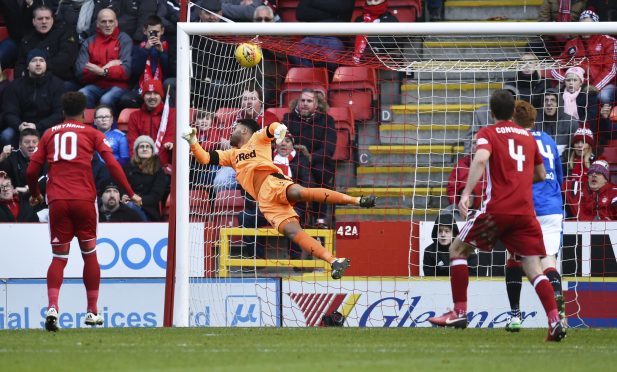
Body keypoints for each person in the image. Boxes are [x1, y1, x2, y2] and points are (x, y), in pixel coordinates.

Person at [427, 90, 566, 342]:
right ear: (513, 111)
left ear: (491, 113)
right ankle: (555, 320)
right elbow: (542, 175)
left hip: (496, 211)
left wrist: (466, 192)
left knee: (457, 251)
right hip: (525, 213)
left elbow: (480, 159)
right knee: (535, 269)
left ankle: (459, 311)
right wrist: (518, 178)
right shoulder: (527, 137)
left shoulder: (487, 133)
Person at [182, 118, 376, 279]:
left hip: (272, 182)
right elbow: (205, 158)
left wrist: (280, 129)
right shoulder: (231, 155)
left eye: (234, 129)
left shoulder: (257, 139)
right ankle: (334, 261)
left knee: (300, 192)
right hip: (265, 202)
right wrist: (192, 141)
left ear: (243, 130)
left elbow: (272, 127)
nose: (230, 132)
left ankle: (356, 200)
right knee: (293, 232)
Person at [25, 91, 142, 332]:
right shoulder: (92, 133)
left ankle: (53, 307)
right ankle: (91, 312)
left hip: (57, 199)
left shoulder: (48, 134)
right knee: (89, 254)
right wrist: (130, 191)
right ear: (85, 112)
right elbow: (112, 164)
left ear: (62, 110)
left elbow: (30, 171)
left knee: (59, 257)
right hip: (84, 200)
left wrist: (36, 193)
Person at [504, 100, 565, 332]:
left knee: (514, 259)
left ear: (513, 121)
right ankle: (560, 316)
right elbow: (559, 175)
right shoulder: (548, 139)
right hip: (552, 207)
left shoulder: (515, 141)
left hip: (526, 207)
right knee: (549, 261)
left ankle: (515, 316)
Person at [283, 88, 337, 227]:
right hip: (293, 159)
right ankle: (296, 214)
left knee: (321, 173)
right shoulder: (287, 119)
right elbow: (281, 141)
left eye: (309, 101)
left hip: (317, 161)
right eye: (303, 100)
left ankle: (320, 220)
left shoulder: (327, 120)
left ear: (316, 104)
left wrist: (311, 157)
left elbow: (329, 148)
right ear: (298, 102)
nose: (305, 103)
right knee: (296, 171)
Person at [550, 10, 616, 105]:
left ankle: (603, 119)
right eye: (582, 25)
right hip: (577, 83)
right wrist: (566, 80)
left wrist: (595, 86)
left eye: (589, 25)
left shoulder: (609, 41)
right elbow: (556, 66)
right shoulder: (571, 44)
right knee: (555, 93)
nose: (585, 29)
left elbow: (611, 70)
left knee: (603, 96)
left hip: (604, 84)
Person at [1, 49, 64, 147]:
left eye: (41, 60)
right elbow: (9, 112)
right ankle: (12, 161)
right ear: (27, 66)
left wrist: (37, 126)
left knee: (54, 135)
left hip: (46, 127)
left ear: (46, 65)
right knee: (6, 135)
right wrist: (20, 126)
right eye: (34, 61)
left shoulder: (57, 84)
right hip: (21, 127)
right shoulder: (14, 86)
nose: (38, 64)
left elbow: (59, 113)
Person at [75, 8, 132, 110]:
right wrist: (105, 69)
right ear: (97, 24)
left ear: (116, 23)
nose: (107, 24)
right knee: (82, 94)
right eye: (103, 21)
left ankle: (110, 125)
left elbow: (126, 70)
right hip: (94, 86)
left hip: (118, 86)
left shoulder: (124, 39)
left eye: (111, 21)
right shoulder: (88, 42)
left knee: (106, 99)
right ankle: (90, 125)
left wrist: (101, 71)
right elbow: (80, 72)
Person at [14, 5, 80, 86]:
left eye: (47, 18)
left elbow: (65, 61)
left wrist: (38, 72)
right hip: (31, 81)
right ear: (34, 21)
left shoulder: (66, 33)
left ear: (52, 20)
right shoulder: (27, 39)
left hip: (61, 80)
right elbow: (20, 65)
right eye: (40, 19)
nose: (44, 21)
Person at [127, 79, 175, 173]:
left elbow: (167, 140)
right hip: (140, 165)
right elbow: (133, 143)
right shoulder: (135, 116)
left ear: (161, 96)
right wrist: (140, 165)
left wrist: (154, 165)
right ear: (143, 96)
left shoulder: (171, 114)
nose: (152, 97)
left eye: (156, 93)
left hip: (162, 166)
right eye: (148, 93)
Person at [123, 135, 169, 222]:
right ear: (136, 150)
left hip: (148, 210)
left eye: (148, 146)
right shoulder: (127, 167)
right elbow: (120, 185)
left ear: (152, 151)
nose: (144, 149)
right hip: (126, 204)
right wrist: (122, 196)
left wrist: (139, 200)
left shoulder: (158, 170)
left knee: (130, 207)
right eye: (141, 146)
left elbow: (156, 196)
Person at [534, 88, 578, 157]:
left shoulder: (571, 122)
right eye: (546, 100)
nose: (549, 103)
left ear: (558, 103)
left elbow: (575, 149)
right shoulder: (535, 122)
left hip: (564, 164)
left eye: (553, 100)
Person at [352, 0, 399, 64]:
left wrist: (374, 41)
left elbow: (395, 42)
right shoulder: (359, 20)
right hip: (357, 60)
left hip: (382, 62)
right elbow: (351, 42)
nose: (372, 2)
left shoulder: (391, 20)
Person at [447, 134, 485, 211]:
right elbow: (451, 189)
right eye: (474, 143)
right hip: (460, 208)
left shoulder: (493, 165)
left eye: (479, 143)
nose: (476, 146)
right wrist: (458, 205)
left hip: (485, 209)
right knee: (445, 215)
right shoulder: (461, 164)